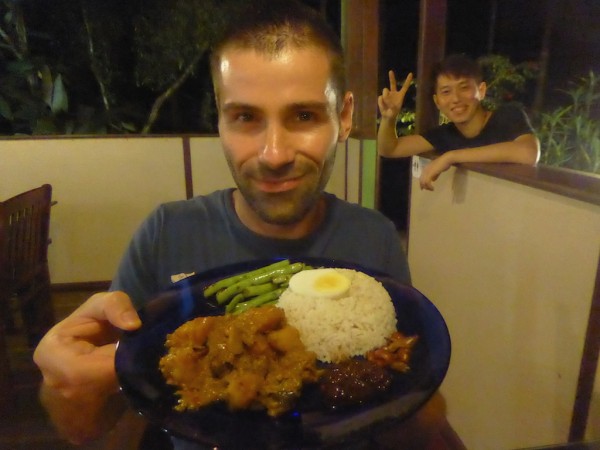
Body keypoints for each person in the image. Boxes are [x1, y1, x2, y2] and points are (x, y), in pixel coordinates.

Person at [33, 1, 412, 449]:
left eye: (304, 116)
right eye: (246, 117)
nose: (274, 154)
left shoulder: (375, 236)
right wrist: (65, 386)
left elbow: (409, 399)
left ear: (344, 118)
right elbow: (87, 429)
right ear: (220, 118)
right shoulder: (165, 233)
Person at [377, 54, 540, 191]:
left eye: (464, 88)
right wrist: (388, 118)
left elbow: (528, 153)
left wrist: (451, 156)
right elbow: (390, 149)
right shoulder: (445, 134)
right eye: (446, 91)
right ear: (437, 102)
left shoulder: (508, 116)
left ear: (481, 91)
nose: (455, 98)